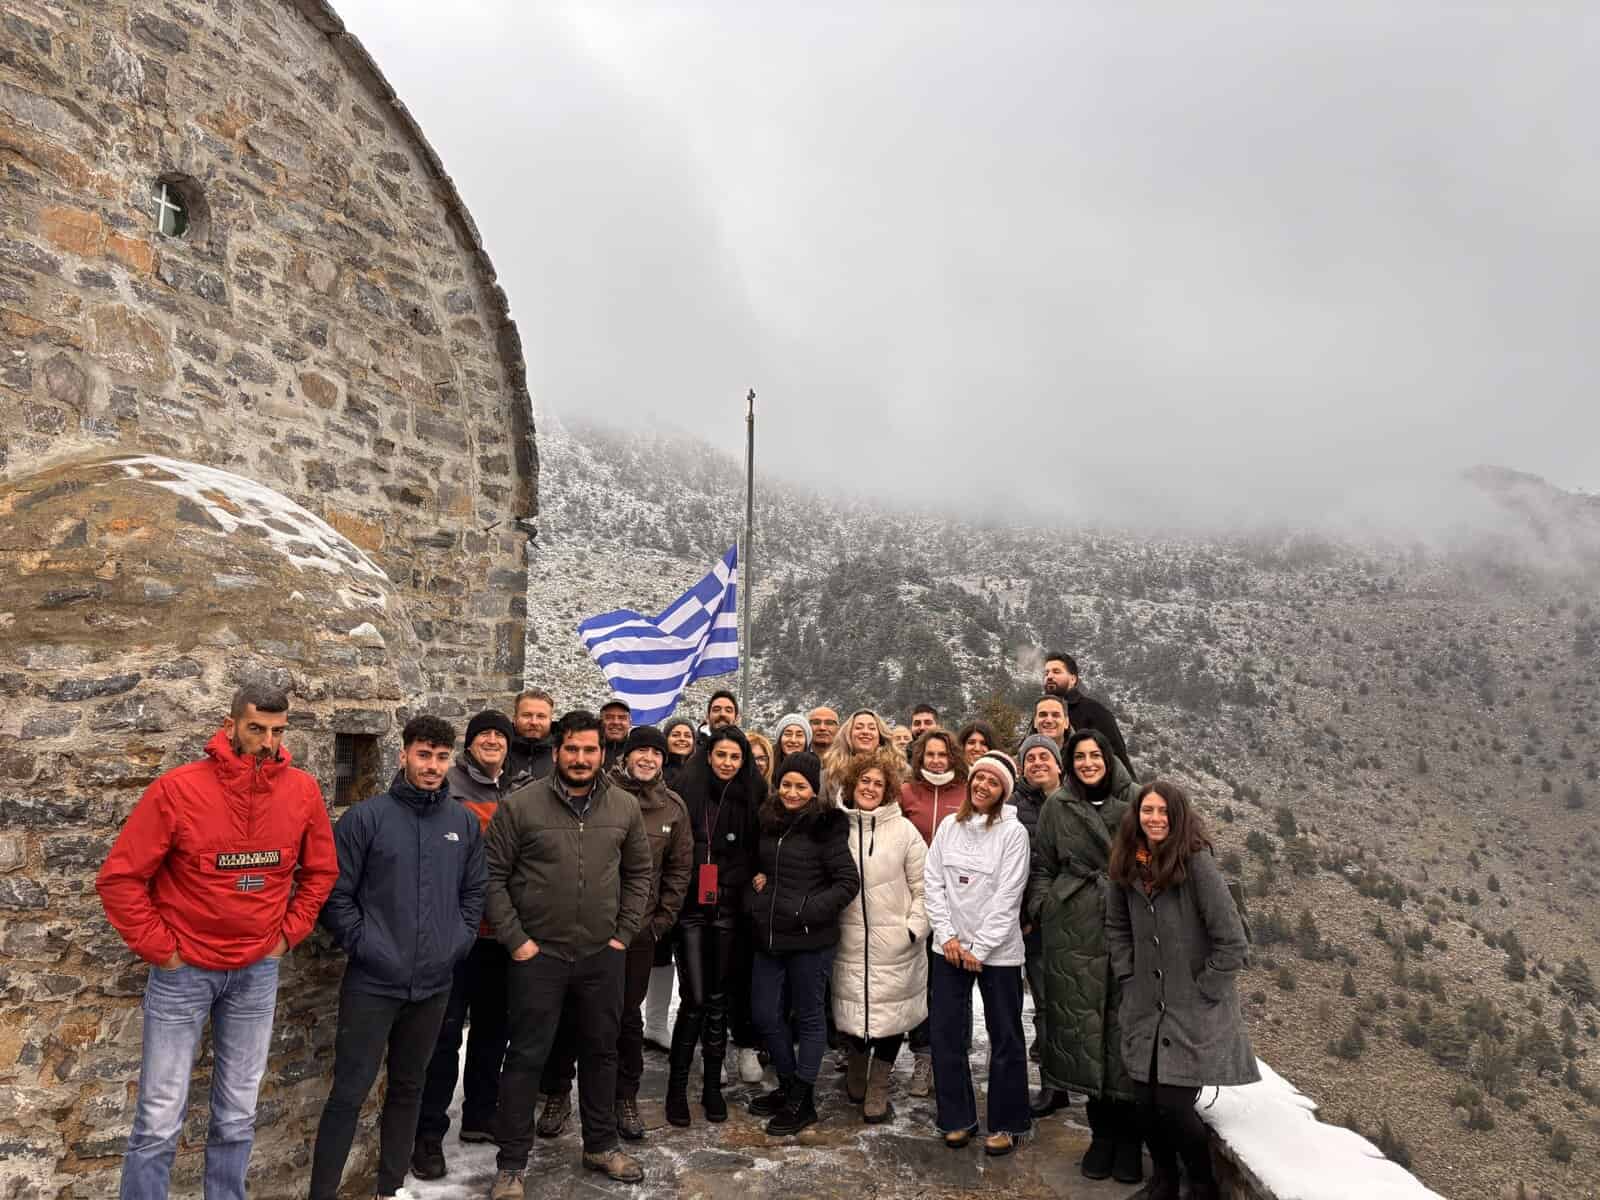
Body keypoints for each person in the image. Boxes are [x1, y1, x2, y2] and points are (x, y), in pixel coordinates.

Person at [96, 682, 339, 1200]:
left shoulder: (301, 791)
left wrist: (287, 936)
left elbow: (320, 872)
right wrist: (163, 950)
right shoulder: (178, 789)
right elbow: (120, 879)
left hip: (257, 971)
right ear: (230, 725)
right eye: (257, 729)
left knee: (237, 1114)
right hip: (184, 972)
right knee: (159, 1118)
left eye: (277, 731)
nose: (268, 741)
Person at [311, 715, 487, 1200]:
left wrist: (456, 942)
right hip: (373, 982)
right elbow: (335, 896)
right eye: (423, 755)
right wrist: (366, 946)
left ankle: (390, 1189)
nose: (432, 766)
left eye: (441, 757)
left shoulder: (462, 822)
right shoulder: (366, 819)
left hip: (434, 984)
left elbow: (475, 891)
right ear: (404, 754)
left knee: (409, 1088)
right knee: (349, 1093)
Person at [483, 710, 653, 1194]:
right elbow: (491, 876)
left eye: (590, 750)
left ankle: (600, 1144)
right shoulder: (520, 806)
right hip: (539, 956)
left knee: (601, 1052)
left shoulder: (624, 807)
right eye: (572, 749)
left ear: (602, 753)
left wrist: (622, 935)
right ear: (557, 752)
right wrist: (517, 940)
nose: (581, 758)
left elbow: (639, 873)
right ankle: (512, 1163)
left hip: (602, 954)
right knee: (526, 1057)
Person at [536, 726, 693, 1143]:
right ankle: (557, 1093)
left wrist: (660, 923)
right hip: (587, 927)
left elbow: (679, 870)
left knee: (625, 1017)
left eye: (656, 753)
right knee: (570, 1011)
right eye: (641, 751)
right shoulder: (599, 796)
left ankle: (624, 1098)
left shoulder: (673, 808)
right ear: (624, 756)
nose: (648, 758)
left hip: (638, 931)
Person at [1107, 781, 1256, 1200]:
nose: (1155, 819)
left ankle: (1202, 1185)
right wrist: (1128, 974)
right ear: (1136, 816)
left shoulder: (1196, 863)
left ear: (1178, 816)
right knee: (1144, 1101)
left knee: (1174, 1105)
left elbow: (1232, 941)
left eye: (1163, 812)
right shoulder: (1127, 862)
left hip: (1192, 1013)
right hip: (1145, 1006)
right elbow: (1116, 926)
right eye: (1147, 811)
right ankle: (1164, 1181)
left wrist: (1202, 988)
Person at [1027, 729, 1144, 1184]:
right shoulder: (1058, 805)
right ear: (1069, 763)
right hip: (1073, 927)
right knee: (1084, 1033)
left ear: (1109, 759)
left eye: (1096, 755)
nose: (1088, 763)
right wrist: (1044, 905)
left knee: (1122, 1031)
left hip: (1126, 922)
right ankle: (1101, 1136)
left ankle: (1128, 1139)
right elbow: (1043, 864)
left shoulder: (1136, 799)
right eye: (1080, 756)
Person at [413, 711, 521, 1179]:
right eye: (484, 734)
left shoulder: (519, 789)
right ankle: (428, 1134)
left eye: (500, 734)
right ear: (470, 743)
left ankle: (480, 1113)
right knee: (443, 1035)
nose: (492, 740)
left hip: (501, 934)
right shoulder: (446, 785)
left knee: (493, 1031)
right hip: (454, 932)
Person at [923, 752, 1032, 1157]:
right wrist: (948, 937)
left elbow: (1009, 896)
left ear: (1004, 790)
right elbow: (933, 882)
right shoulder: (949, 826)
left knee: (1005, 1036)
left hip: (997, 952)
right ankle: (956, 1118)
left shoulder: (1013, 833)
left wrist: (980, 947)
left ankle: (1008, 1122)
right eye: (979, 778)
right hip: (949, 948)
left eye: (993, 781)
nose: (983, 786)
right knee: (946, 1034)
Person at [746, 751, 860, 1135]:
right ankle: (789, 1084)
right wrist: (758, 890)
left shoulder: (827, 825)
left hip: (811, 939)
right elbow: (760, 867)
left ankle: (803, 1098)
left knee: (809, 1017)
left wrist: (806, 910)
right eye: (786, 784)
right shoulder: (768, 819)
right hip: (770, 935)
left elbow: (847, 882)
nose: (791, 792)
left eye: (801, 786)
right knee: (765, 1013)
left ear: (814, 790)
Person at [665, 725, 763, 1127]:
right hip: (690, 907)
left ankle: (711, 1088)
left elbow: (758, 853)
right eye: (721, 755)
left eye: (735, 757)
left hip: (728, 907)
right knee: (694, 997)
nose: (727, 763)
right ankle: (676, 1088)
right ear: (709, 756)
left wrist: (737, 879)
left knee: (719, 998)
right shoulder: (686, 792)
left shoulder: (752, 796)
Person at [832, 749, 927, 1124]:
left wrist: (913, 929)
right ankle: (857, 1067)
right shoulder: (835, 827)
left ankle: (879, 1085)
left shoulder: (904, 832)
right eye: (864, 781)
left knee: (892, 1015)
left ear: (888, 790)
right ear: (852, 785)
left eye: (878, 783)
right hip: (847, 941)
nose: (870, 788)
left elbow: (925, 888)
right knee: (853, 1010)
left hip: (896, 944)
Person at [898, 726, 968, 1095]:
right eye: (930, 754)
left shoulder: (966, 793)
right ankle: (922, 1057)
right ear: (920, 757)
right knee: (918, 982)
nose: (937, 761)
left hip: (957, 903)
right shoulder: (907, 792)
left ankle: (950, 1059)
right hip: (914, 899)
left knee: (950, 986)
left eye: (943, 754)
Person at [1012, 734, 1066, 1116]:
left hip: (1078, 922)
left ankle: (1079, 1080)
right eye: (1030, 758)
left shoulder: (1078, 803)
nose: (1037, 762)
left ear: (1059, 764)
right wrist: (1024, 917)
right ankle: (1053, 1084)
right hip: (1032, 923)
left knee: (1074, 1006)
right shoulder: (1012, 807)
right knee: (1045, 1006)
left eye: (1044, 755)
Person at [645, 715, 701, 1053]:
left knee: (681, 957)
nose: (681, 738)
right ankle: (650, 1024)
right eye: (675, 734)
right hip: (655, 876)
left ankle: (664, 1024)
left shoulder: (699, 774)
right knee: (656, 953)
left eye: (687, 734)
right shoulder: (656, 777)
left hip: (687, 875)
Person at [1044, 652, 1134, 778]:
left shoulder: (1095, 712)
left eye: (1056, 672)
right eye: (1046, 673)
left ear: (1073, 679)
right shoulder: (1041, 716)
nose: (1049, 676)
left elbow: (1117, 759)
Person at [820, 708, 892, 802]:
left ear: (880, 736)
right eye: (858, 727)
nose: (865, 732)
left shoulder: (896, 769)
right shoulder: (831, 772)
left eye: (872, 728)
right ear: (848, 735)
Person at [507, 689, 555, 783]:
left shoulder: (562, 754)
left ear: (550, 720)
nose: (534, 722)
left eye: (541, 716)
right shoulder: (500, 753)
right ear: (515, 719)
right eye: (527, 715)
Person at [600, 699, 632, 770]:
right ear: (601, 722)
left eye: (622, 718)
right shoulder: (589, 749)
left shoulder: (636, 752)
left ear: (630, 723)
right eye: (609, 717)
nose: (616, 722)